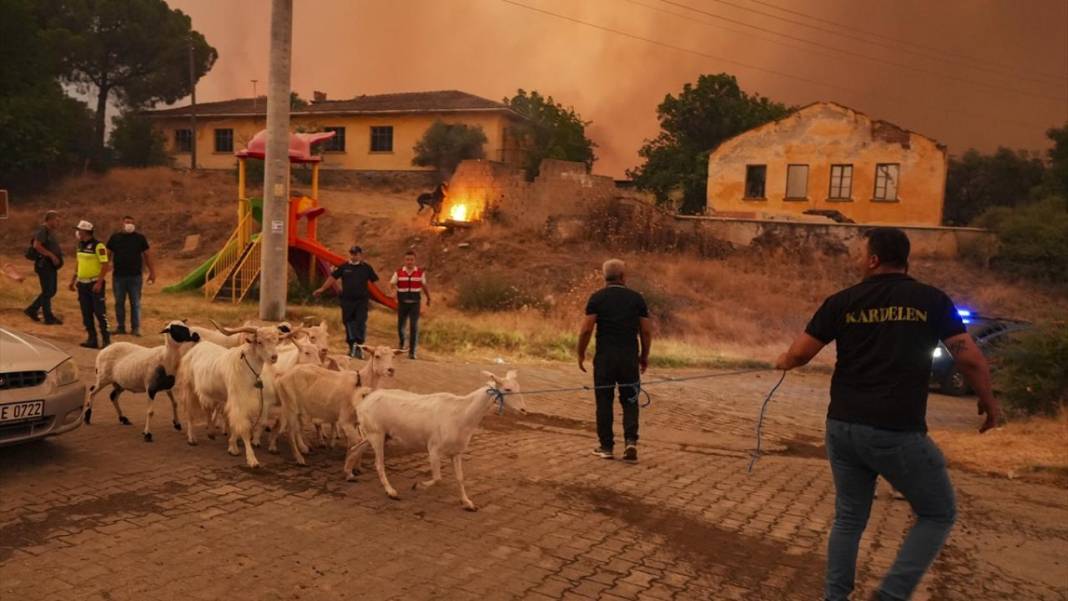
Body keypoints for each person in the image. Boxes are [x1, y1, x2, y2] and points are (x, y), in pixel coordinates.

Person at [773, 227, 1000, 601]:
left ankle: (836, 597)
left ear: (874, 259)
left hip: (843, 428)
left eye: (861, 252)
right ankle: (891, 594)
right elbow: (970, 359)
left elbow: (799, 354)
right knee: (937, 513)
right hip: (896, 430)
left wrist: (782, 361)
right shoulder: (932, 300)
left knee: (849, 518)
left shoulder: (842, 301)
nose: (858, 258)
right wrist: (990, 402)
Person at [577, 259, 651, 463]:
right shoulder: (637, 299)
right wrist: (644, 356)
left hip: (605, 359)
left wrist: (580, 353)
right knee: (630, 400)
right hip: (628, 358)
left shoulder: (597, 298)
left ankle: (606, 446)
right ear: (623, 277)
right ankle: (630, 442)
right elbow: (645, 330)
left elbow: (586, 329)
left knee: (604, 401)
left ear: (604, 277)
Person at [313, 245, 379, 359]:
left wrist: (381, 297)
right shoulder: (344, 267)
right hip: (347, 300)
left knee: (360, 323)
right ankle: (351, 346)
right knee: (348, 322)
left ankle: (359, 347)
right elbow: (332, 278)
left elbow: (375, 282)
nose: (354, 256)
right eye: (352, 254)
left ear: (360, 255)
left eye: (356, 254)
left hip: (361, 301)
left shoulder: (366, 268)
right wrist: (322, 289)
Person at [106, 215, 156, 337]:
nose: (129, 224)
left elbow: (147, 255)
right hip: (118, 276)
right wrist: (104, 268)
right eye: (127, 222)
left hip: (135, 276)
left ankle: (136, 328)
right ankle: (120, 327)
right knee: (119, 302)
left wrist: (152, 272)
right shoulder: (115, 238)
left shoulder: (140, 238)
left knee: (135, 303)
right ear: (122, 224)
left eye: (131, 223)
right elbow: (107, 254)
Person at [70, 220, 111, 349]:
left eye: (80, 230)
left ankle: (106, 339)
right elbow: (78, 263)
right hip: (82, 283)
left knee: (100, 312)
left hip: (94, 283)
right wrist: (73, 279)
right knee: (86, 312)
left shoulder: (98, 246)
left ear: (86, 232)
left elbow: (105, 264)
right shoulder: (80, 245)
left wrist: (99, 282)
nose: (78, 232)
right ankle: (92, 339)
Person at [24, 210, 64, 325]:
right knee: (48, 291)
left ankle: (32, 309)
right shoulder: (43, 230)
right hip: (44, 265)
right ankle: (48, 317)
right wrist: (51, 255)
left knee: (51, 290)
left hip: (50, 266)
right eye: (57, 221)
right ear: (50, 220)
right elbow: (37, 246)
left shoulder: (51, 232)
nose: (58, 223)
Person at [390, 250, 431, 359]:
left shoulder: (420, 273)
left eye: (411, 260)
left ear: (415, 260)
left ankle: (412, 352)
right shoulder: (398, 272)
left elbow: (424, 286)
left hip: (415, 304)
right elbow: (392, 284)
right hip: (402, 303)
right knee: (400, 326)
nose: (409, 262)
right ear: (404, 260)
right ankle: (402, 342)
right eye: (407, 260)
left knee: (414, 327)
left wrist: (428, 297)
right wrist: (394, 293)